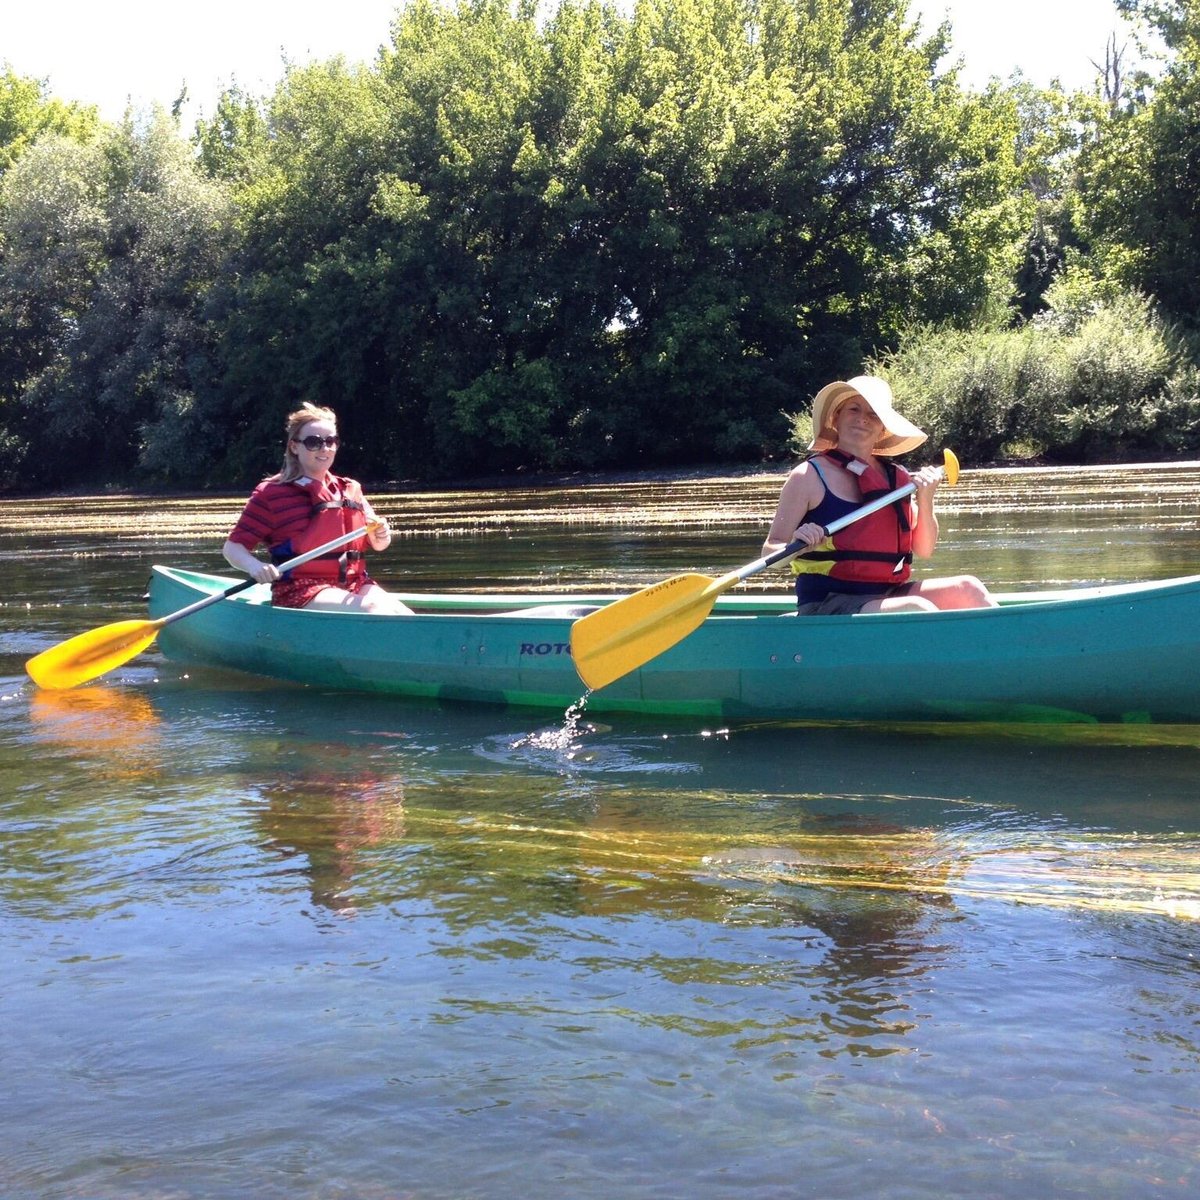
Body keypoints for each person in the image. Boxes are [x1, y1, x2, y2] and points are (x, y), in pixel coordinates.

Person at [763, 375, 995, 614]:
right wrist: (796, 546)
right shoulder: (807, 476)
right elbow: (770, 550)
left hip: (887, 594)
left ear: (883, 428)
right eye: (854, 409)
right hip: (827, 602)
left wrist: (925, 500)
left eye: (873, 414)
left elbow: (924, 549)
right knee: (915, 608)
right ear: (836, 419)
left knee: (969, 588)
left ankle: (1017, 646)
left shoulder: (898, 479)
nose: (863, 418)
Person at [222, 403, 413, 614]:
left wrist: (382, 534)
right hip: (300, 589)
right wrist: (255, 567)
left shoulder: (349, 489)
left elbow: (379, 544)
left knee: (402, 613)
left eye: (331, 441)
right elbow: (232, 548)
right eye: (314, 442)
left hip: (354, 583)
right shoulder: (271, 493)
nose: (325, 448)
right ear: (294, 447)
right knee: (372, 609)